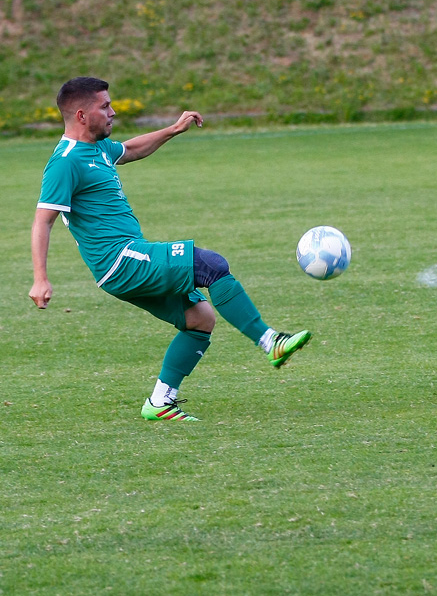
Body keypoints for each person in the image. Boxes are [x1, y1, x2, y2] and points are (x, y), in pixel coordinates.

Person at [30, 77, 312, 421]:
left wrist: (173, 130)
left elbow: (131, 149)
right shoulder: (65, 161)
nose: (113, 111)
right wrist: (40, 279)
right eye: (104, 106)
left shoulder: (98, 148)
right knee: (210, 265)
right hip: (120, 261)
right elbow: (42, 221)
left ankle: (161, 402)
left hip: (124, 262)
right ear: (81, 114)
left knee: (200, 319)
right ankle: (271, 342)